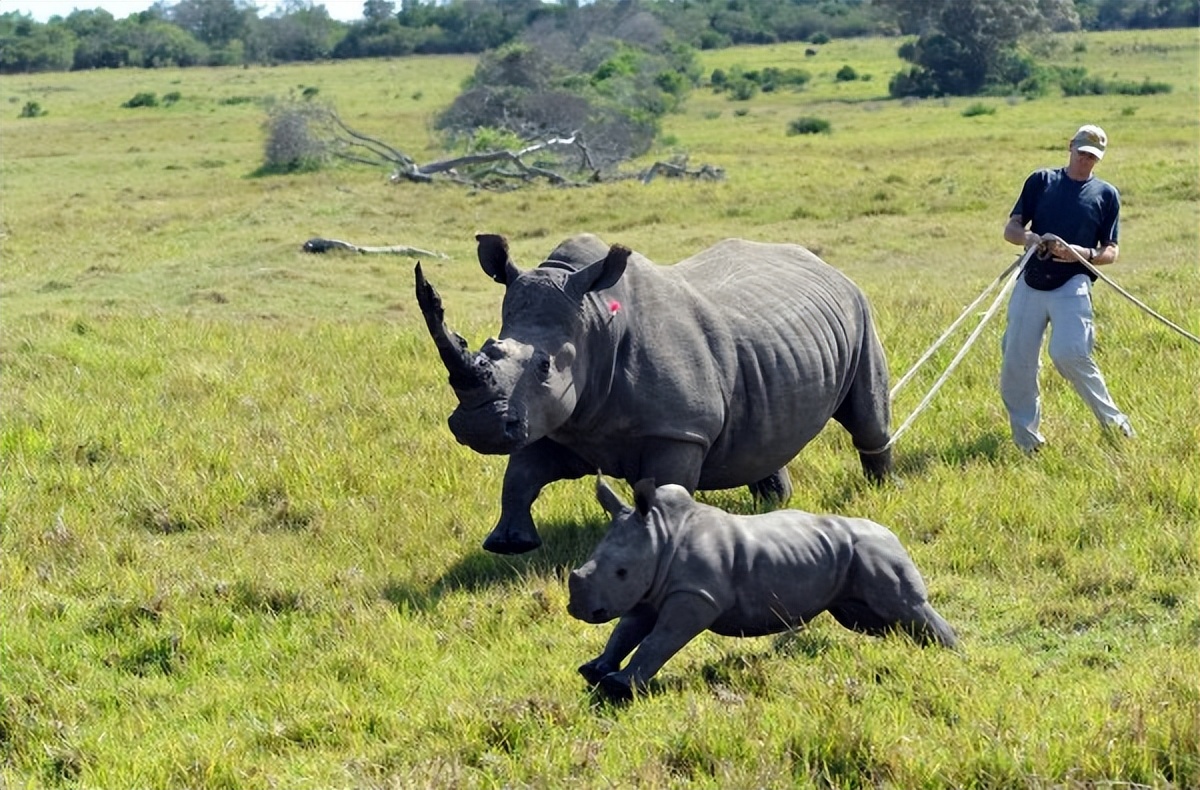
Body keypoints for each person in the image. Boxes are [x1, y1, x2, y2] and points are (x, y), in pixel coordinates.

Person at [1000, 124, 1134, 454]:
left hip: (1073, 283)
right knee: (1016, 363)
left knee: (1069, 353)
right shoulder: (1041, 181)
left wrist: (1080, 252)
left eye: (1092, 157)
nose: (1086, 161)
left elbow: (1111, 251)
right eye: (1082, 153)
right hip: (1031, 280)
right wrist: (1030, 238)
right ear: (1070, 146)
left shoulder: (1106, 194)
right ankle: (1027, 443)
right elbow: (1012, 229)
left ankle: (1116, 425)